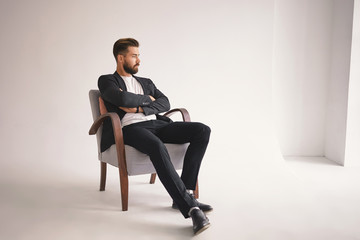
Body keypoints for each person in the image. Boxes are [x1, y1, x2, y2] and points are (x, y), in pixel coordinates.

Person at [98, 38, 212, 235]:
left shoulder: (146, 82)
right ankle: (191, 208)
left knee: (202, 130)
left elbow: (165, 103)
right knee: (157, 146)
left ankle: (185, 193)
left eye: (138, 56)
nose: (138, 60)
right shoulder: (107, 80)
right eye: (134, 56)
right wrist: (148, 101)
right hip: (131, 128)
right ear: (120, 58)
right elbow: (121, 98)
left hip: (157, 124)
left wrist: (138, 107)